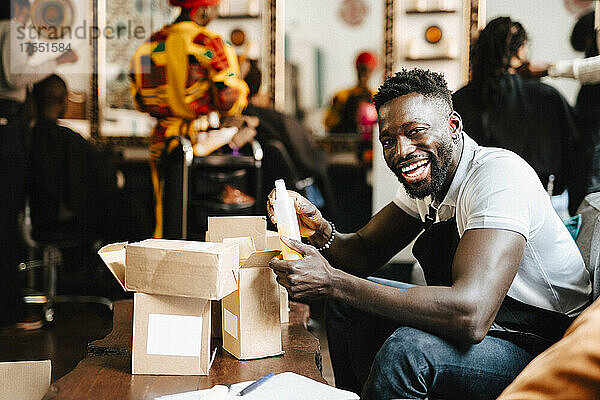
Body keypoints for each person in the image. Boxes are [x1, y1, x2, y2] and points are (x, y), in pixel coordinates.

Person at [266, 68, 591, 400]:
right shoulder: (430, 180)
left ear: (453, 126)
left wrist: (334, 282)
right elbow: (364, 252)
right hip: (496, 326)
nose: (401, 151)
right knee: (347, 307)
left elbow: (471, 314)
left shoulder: (497, 178)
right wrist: (319, 229)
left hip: (546, 346)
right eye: (388, 140)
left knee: (407, 352)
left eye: (416, 131)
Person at [129, 0, 255, 239]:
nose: (217, 12)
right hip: (204, 143)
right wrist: (241, 82)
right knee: (198, 224)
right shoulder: (210, 44)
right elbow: (228, 101)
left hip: (162, 140)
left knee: (164, 214)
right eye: (216, 6)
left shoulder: (149, 45)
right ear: (203, 8)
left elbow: (141, 99)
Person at [453, 17, 586, 216]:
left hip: (477, 203)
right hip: (544, 201)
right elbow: (576, 154)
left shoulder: (459, 101)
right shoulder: (547, 96)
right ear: (521, 50)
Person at [0, 0, 78, 330]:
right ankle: (8, 311)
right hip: (6, 131)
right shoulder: (10, 28)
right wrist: (58, 59)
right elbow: (15, 74)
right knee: (5, 222)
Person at [324, 51, 378, 134]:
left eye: (367, 70)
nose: (364, 73)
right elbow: (329, 122)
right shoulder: (341, 96)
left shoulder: (376, 97)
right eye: (362, 69)